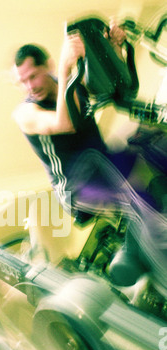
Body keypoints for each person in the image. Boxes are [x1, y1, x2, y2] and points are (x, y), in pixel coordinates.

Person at [12, 22, 131, 214]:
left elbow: (114, 88)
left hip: (104, 164)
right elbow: (66, 123)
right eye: (23, 81)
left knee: (152, 151)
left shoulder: (75, 84)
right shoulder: (25, 114)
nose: (29, 87)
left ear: (46, 66)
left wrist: (114, 48)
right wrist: (64, 68)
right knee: (139, 199)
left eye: (33, 76)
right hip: (76, 188)